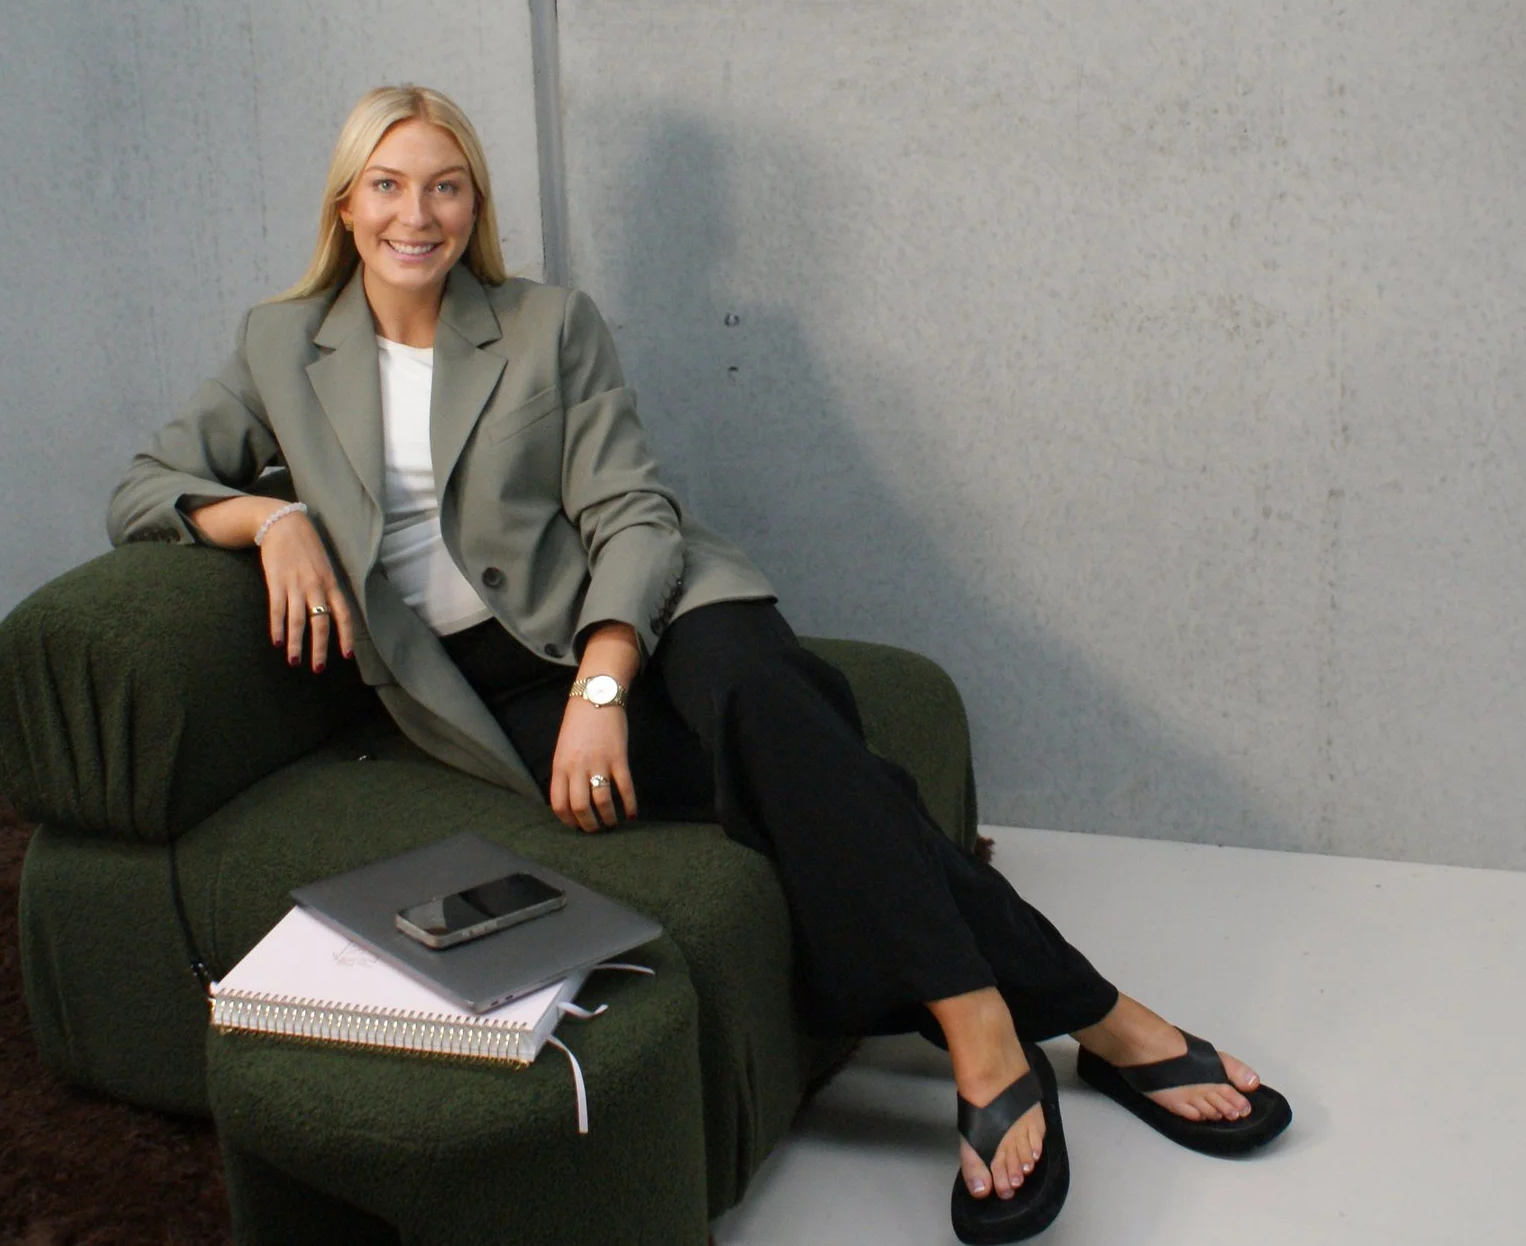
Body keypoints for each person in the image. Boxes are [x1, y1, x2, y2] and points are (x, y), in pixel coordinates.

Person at [109, 85, 1290, 1241]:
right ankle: (1102, 1016)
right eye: (387, 185)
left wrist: (605, 684)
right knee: (811, 773)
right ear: (346, 202)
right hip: (488, 691)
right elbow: (145, 488)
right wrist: (272, 523)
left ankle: (985, 1035)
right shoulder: (280, 346)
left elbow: (634, 510)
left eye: (445, 186)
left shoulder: (542, 324)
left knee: (766, 702)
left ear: (474, 204)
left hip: (658, 609)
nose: (416, 214)